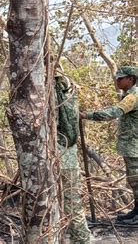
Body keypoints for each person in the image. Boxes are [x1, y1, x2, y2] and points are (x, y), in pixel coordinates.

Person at [80, 66, 138, 224]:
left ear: (131, 79)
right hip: (131, 147)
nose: (117, 80)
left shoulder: (133, 96)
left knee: (136, 180)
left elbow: (114, 112)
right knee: (134, 181)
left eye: (121, 78)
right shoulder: (129, 94)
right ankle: (136, 211)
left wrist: (88, 115)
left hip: (135, 147)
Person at [55, 74, 91, 243]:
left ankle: (82, 239)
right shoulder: (66, 89)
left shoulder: (54, 91)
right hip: (67, 157)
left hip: (61, 157)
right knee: (70, 204)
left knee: (70, 204)